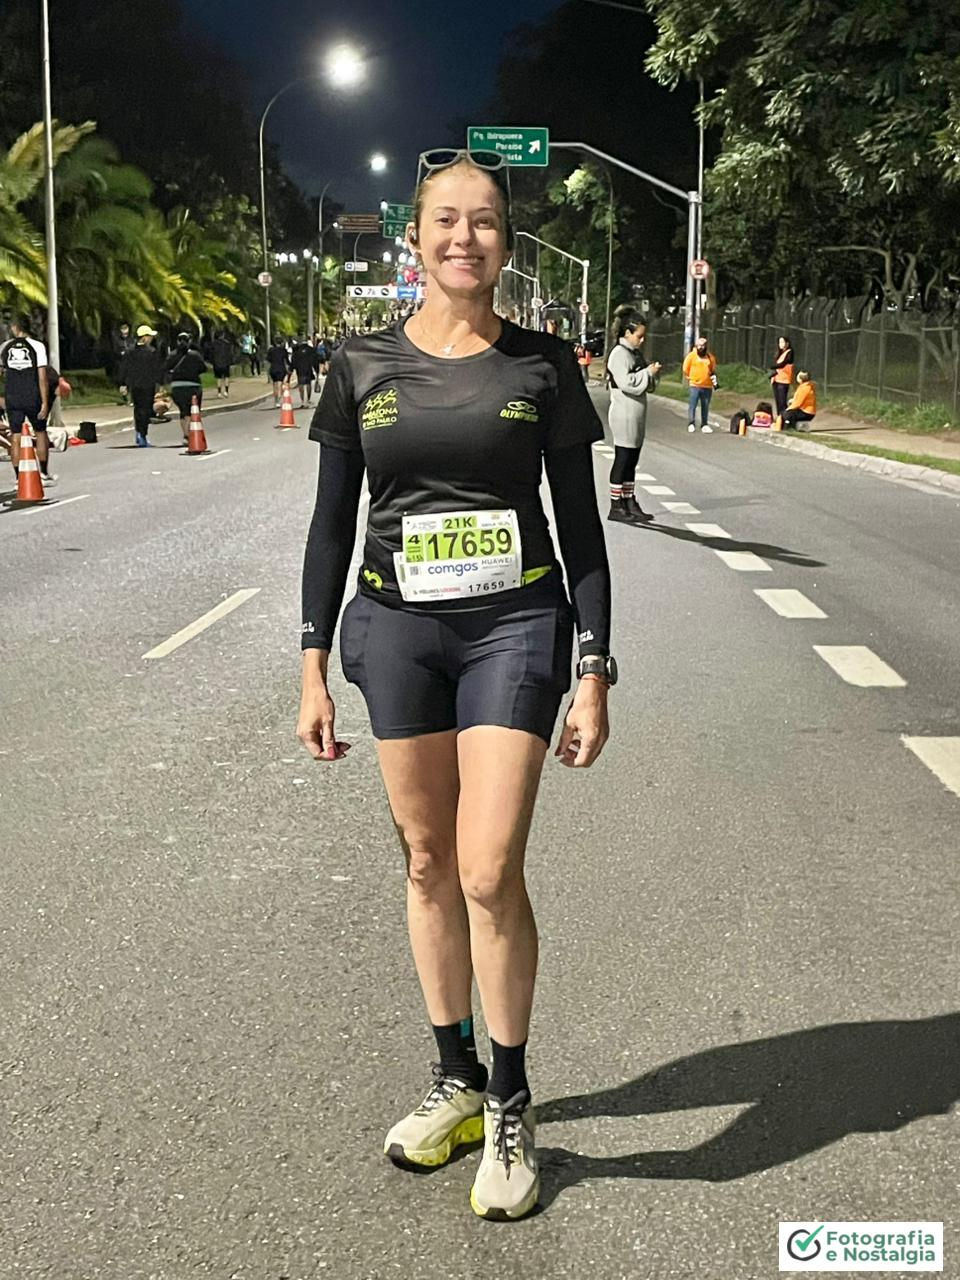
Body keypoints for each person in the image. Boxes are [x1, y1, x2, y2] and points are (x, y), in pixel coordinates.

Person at [298, 149, 614, 1222]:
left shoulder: (544, 365)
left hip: (514, 624)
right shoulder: (361, 363)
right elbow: (332, 523)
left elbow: (583, 533)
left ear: (505, 241)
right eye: (444, 219)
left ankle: (515, 1098)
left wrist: (594, 667)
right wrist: (311, 663)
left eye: (483, 220)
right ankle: (457, 1078)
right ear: (417, 236)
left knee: (487, 867)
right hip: (395, 628)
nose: (463, 237)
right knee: (428, 858)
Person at [605, 307, 660, 524]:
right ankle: (616, 504)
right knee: (623, 458)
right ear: (627, 333)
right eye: (639, 336)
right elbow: (627, 383)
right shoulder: (619, 355)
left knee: (632, 461)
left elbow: (644, 383)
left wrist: (651, 374)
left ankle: (629, 501)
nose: (642, 340)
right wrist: (647, 373)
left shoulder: (634, 354)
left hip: (636, 412)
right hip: (624, 413)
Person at [0, 314, 55, 485]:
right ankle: (44, 473)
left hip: (12, 397)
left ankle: (19, 477)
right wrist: (45, 402)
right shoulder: (37, 347)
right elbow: (42, 377)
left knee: (15, 436)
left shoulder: (4, 347)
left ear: (16, 328)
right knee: (40, 433)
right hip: (32, 396)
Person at [119, 324, 165, 447]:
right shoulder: (152, 352)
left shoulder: (129, 352)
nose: (151, 339)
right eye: (149, 336)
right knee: (146, 410)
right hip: (147, 385)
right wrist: (160, 383)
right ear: (144, 338)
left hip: (135, 385)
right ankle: (142, 434)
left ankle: (139, 432)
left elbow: (123, 369)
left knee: (138, 409)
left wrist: (123, 384)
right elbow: (157, 369)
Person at [166, 332, 207, 443]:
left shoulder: (172, 355)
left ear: (177, 342)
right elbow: (203, 368)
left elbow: (165, 368)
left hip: (177, 387)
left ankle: (185, 435)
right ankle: (191, 434)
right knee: (193, 411)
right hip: (193, 385)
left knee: (183, 411)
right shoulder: (195, 355)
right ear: (189, 342)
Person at [683, 334, 717, 433]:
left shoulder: (710, 357)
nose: (701, 347)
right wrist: (690, 377)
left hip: (707, 385)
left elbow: (713, 369)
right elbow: (685, 368)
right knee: (693, 405)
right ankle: (691, 423)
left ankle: (704, 424)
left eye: (703, 345)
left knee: (705, 405)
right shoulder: (691, 356)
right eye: (699, 345)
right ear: (696, 346)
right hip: (695, 385)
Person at [290, 334, 321, 408]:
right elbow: (315, 360)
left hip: (300, 369)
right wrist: (317, 371)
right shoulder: (311, 350)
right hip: (308, 369)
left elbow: (293, 360)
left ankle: (302, 401)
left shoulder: (296, 350)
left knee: (300, 384)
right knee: (308, 384)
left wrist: (292, 369)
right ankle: (308, 399)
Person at [770, 335, 795, 422]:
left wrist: (772, 367)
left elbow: (783, 364)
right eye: (780, 342)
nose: (781, 344)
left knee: (782, 401)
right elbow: (778, 368)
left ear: (787, 343)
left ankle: (785, 419)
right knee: (777, 401)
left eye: (783, 342)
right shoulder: (779, 354)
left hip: (784, 381)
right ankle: (779, 418)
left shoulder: (789, 352)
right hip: (776, 379)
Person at [112, 322, 136, 403]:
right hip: (121, 362)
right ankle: (124, 397)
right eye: (123, 329)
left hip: (130, 363)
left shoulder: (132, 339)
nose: (125, 331)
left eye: (126, 328)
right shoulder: (117, 340)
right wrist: (120, 353)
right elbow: (115, 350)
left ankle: (131, 398)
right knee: (122, 381)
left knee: (130, 380)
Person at [266, 334, 290, 407]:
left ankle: (276, 400)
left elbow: (268, 359)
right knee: (279, 385)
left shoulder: (271, 350)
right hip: (281, 368)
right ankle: (278, 401)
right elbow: (287, 361)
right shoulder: (283, 350)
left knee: (275, 385)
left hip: (273, 369)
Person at [211, 330, 234, 398]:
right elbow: (230, 354)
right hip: (226, 363)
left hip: (217, 363)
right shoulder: (227, 343)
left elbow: (211, 354)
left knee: (218, 378)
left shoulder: (213, 344)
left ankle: (219, 392)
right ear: (222, 335)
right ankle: (226, 391)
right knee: (226, 377)